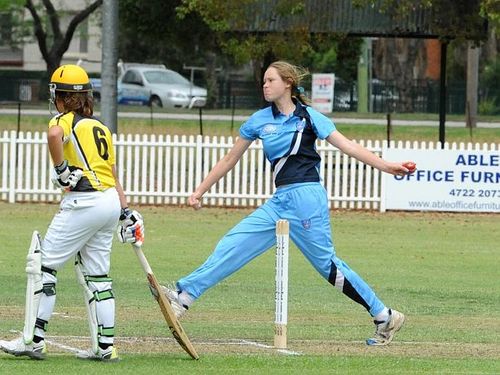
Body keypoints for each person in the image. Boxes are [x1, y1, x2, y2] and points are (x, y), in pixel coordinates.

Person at [162, 61, 414, 346]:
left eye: (270, 80)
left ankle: (384, 315)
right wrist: (200, 191)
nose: (265, 85)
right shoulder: (258, 120)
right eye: (264, 81)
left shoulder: (310, 118)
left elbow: (350, 147)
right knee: (234, 243)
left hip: (307, 199)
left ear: (288, 83)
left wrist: (388, 166)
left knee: (328, 267)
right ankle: (184, 298)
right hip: (280, 201)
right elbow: (229, 159)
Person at [0, 64, 144, 361]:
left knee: (42, 267)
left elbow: (54, 136)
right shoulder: (101, 127)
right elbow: (113, 175)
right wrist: (125, 211)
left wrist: (61, 169)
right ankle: (105, 347)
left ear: (61, 96)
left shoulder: (63, 119)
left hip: (84, 202)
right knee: (99, 277)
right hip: (108, 203)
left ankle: (33, 339)